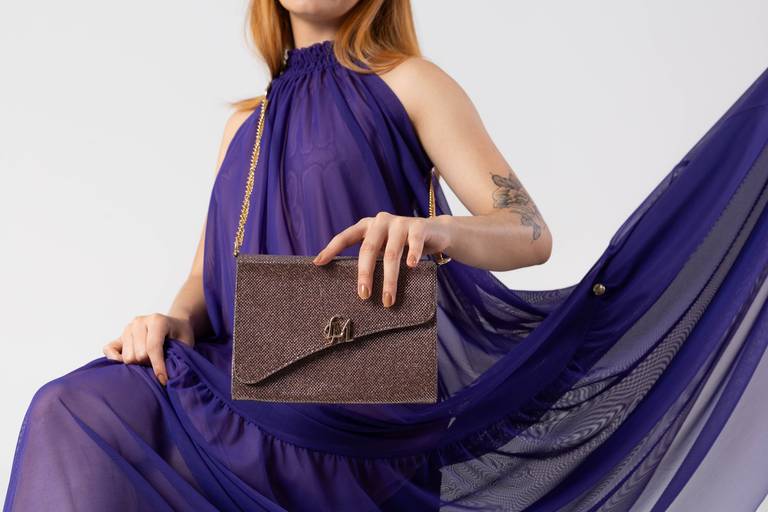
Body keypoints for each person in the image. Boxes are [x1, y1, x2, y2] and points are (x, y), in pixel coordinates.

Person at [5, 1, 768, 510]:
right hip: (246, 392)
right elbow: (207, 275)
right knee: (72, 410)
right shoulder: (244, 126)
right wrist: (170, 318)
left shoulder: (408, 83)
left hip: (355, 410)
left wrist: (437, 232)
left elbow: (528, 230)